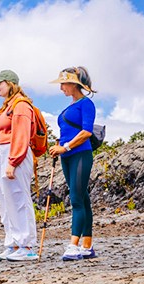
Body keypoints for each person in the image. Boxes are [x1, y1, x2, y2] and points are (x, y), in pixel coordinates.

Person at [0, 70, 39, 261]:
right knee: (6, 199)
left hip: (15, 155)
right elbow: (5, 136)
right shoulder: (8, 107)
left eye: (0, 83)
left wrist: (13, 162)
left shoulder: (21, 105)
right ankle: (13, 242)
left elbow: (21, 136)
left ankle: (27, 245)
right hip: (4, 154)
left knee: (18, 197)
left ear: (10, 84)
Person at [49, 66, 98, 261]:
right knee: (83, 199)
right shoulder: (69, 106)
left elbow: (86, 132)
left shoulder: (86, 104)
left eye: (63, 83)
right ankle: (87, 245)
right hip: (66, 155)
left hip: (80, 154)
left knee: (76, 199)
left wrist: (66, 147)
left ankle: (73, 245)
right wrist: (59, 147)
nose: (61, 87)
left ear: (74, 84)